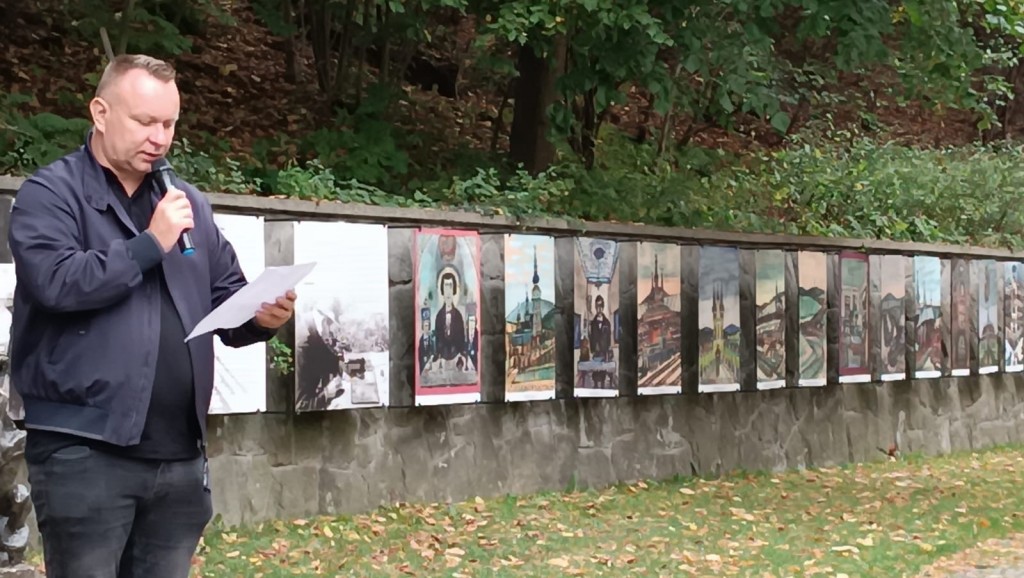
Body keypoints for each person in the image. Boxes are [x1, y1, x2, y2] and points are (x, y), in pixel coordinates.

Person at [7, 54, 296, 578]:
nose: (159, 139)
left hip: (179, 456)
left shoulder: (185, 203)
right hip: (85, 451)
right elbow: (57, 283)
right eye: (144, 122)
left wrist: (262, 318)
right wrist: (150, 244)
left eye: (168, 124)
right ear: (100, 113)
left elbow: (225, 299)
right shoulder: (51, 194)